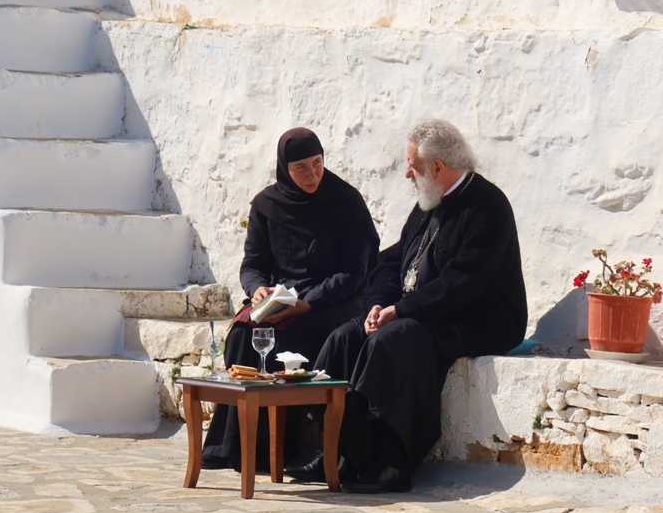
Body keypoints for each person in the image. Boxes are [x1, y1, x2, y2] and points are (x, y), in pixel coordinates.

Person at [289, 119, 526, 493]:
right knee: (344, 338)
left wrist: (400, 311)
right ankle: (337, 453)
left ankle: (391, 464)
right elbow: (390, 261)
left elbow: (461, 285)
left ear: (437, 168)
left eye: (413, 166)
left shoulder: (486, 207)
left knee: (393, 341)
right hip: (422, 311)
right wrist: (378, 303)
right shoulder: (428, 203)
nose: (406, 174)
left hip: (477, 320)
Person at [201, 127, 379, 470]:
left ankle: (276, 449)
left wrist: (308, 303)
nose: (312, 174)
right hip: (280, 300)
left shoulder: (346, 203)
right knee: (242, 334)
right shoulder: (267, 205)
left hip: (330, 303)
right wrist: (258, 290)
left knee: (291, 339)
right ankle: (232, 445)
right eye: (301, 167)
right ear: (285, 168)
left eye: (317, 163)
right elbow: (253, 264)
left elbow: (354, 272)